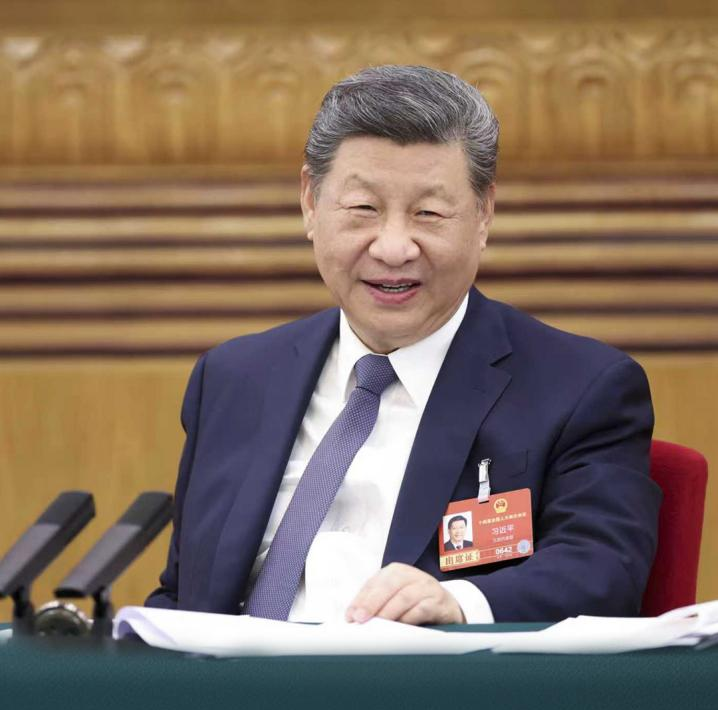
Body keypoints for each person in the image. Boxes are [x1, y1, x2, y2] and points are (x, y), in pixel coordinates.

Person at [147, 64, 661, 624]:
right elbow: (185, 595)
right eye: (363, 209)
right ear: (310, 203)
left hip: (428, 678)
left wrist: (459, 604)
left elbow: (603, 568)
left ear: (483, 214)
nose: (393, 248)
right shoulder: (232, 378)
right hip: (234, 677)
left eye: (429, 214)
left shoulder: (582, 388)